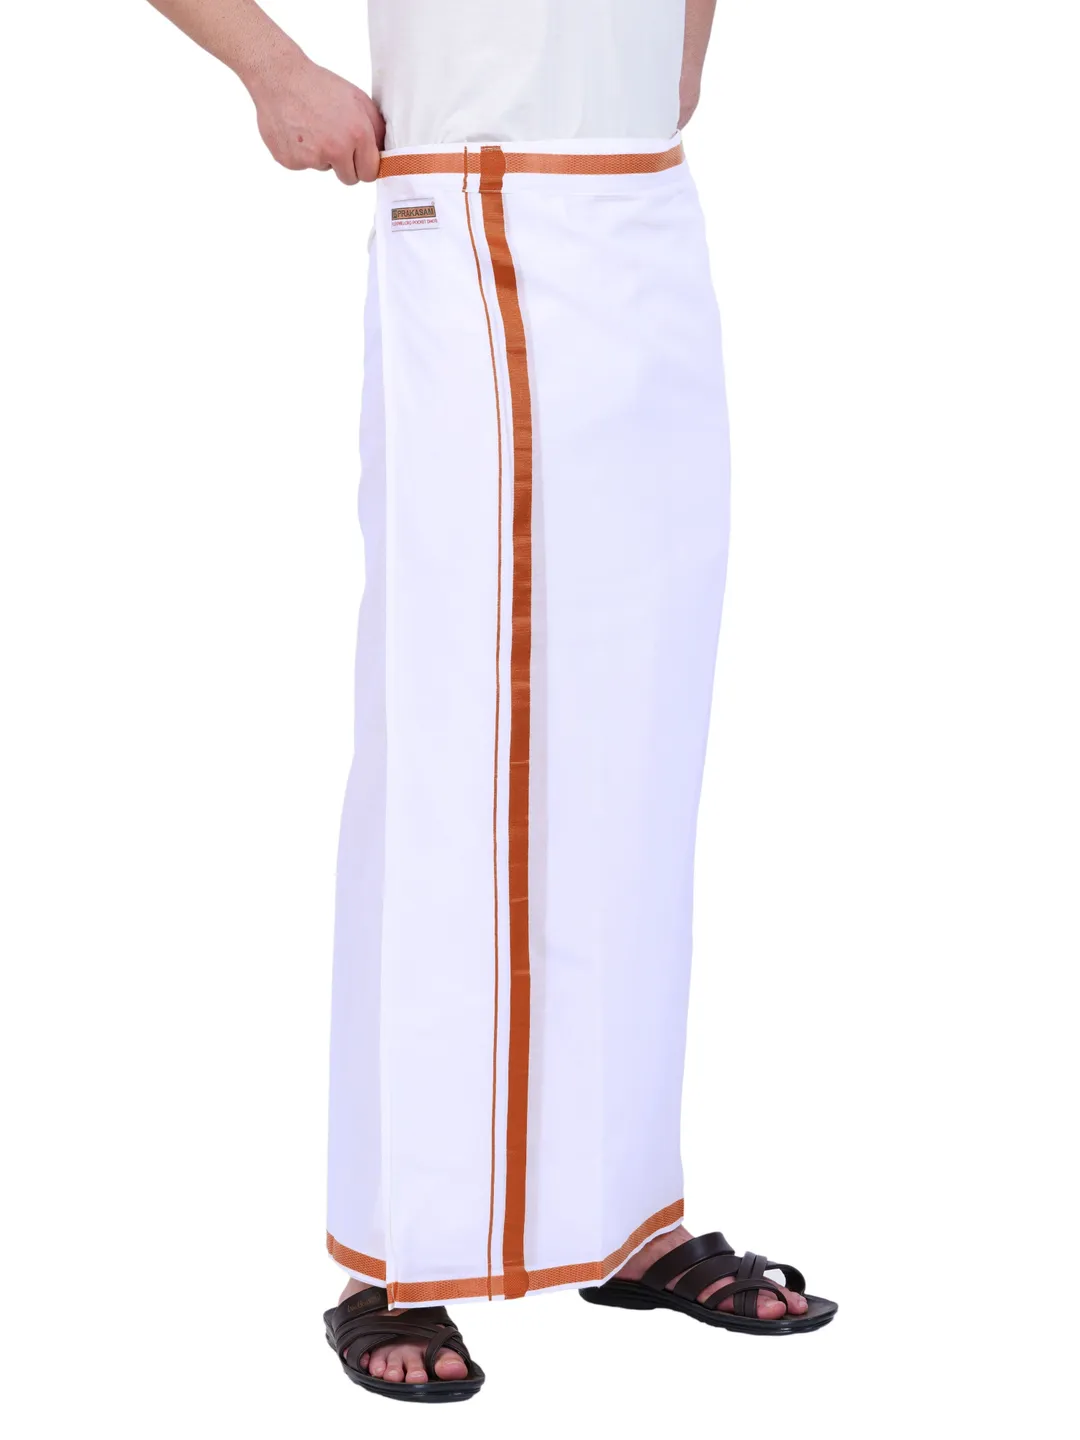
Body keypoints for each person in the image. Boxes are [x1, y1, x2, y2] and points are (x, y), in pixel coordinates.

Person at [147, 0, 836, 1403]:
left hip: (644, 207)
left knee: (633, 747)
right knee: (461, 744)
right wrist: (272, 68)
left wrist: (685, 43)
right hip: (478, 207)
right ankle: (396, 1252)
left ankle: (625, 1214)